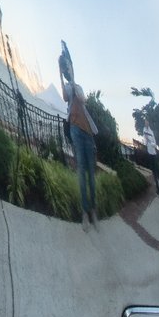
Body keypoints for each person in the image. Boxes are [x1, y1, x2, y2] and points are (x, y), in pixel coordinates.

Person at [61, 42, 97, 224]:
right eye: (65, 69)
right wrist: (61, 75)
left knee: (91, 172)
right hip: (75, 128)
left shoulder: (78, 86)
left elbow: (82, 99)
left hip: (87, 131)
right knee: (82, 170)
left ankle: (94, 210)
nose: (67, 70)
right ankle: (85, 211)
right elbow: (66, 97)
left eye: (68, 68)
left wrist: (73, 79)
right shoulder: (68, 87)